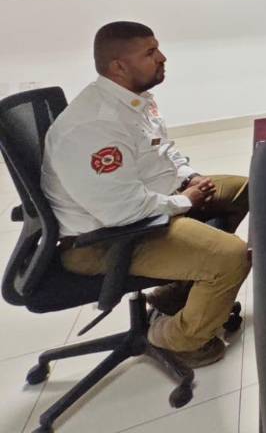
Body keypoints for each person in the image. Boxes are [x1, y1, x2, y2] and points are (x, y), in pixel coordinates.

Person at [41, 22, 250, 368]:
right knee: (232, 255)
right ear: (118, 66)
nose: (162, 58)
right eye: (150, 53)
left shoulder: (135, 100)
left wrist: (189, 177)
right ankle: (176, 339)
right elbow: (122, 211)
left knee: (244, 188)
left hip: (149, 203)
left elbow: (162, 151)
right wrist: (187, 201)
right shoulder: (94, 126)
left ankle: (176, 292)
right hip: (105, 238)